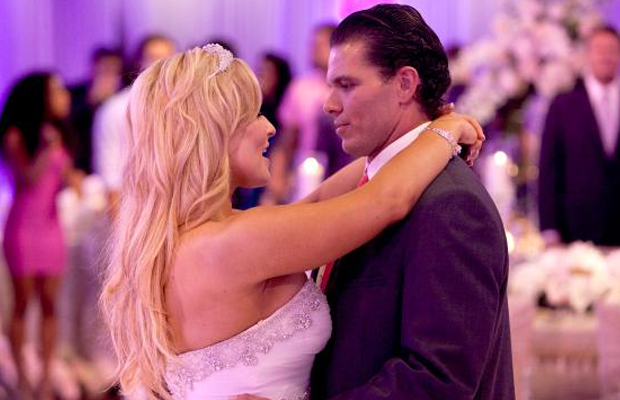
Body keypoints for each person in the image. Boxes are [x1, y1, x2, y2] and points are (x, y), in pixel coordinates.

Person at [99, 43, 483, 400]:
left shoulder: (193, 239)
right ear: (216, 135)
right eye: (253, 115)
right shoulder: (238, 242)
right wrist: (448, 129)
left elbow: (322, 200)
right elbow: (385, 200)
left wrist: (410, 135)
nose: (269, 127)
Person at [306, 5, 514, 399]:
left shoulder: (451, 205)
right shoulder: (372, 184)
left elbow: (437, 381)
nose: (329, 103)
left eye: (346, 85)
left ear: (405, 84)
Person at [0, 72, 81, 400]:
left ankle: (45, 377)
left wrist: (72, 179)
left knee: (50, 304)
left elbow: (59, 181)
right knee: (22, 304)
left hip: (51, 227)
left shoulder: (61, 133)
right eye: (57, 90)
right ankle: (21, 376)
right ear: (40, 97)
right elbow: (27, 180)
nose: (64, 96)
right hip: (23, 228)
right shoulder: (17, 135)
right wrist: (48, 150)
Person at [538, 25, 620, 247]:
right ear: (587, 55)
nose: (606, 56)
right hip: (576, 229)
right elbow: (549, 170)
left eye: (612, 50)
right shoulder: (563, 105)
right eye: (599, 49)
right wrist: (549, 229)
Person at [92, 34, 176, 212]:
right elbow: (110, 173)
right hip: (132, 206)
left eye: (168, 58)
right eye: (153, 57)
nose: (161, 64)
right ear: (139, 62)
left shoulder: (183, 107)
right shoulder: (116, 108)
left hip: (176, 207)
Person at [263, 24, 338, 203]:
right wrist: (277, 177)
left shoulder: (349, 88)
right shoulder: (301, 88)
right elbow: (287, 139)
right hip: (307, 170)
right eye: (312, 45)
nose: (313, 50)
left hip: (343, 168)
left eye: (320, 45)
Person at [70, 47, 124, 174]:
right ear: (93, 70)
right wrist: (91, 103)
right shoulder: (75, 95)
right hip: (81, 166)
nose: (108, 76)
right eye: (104, 70)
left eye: (114, 71)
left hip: (113, 163)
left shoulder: (123, 100)